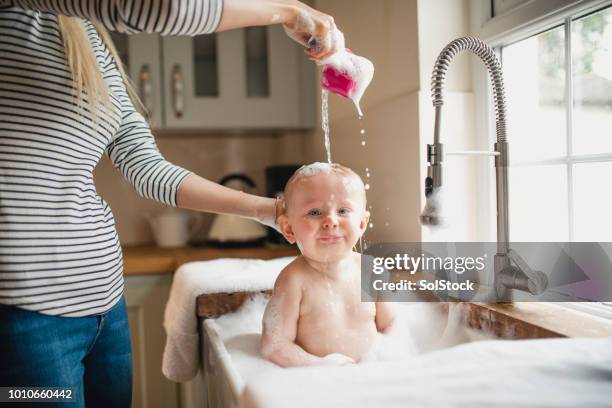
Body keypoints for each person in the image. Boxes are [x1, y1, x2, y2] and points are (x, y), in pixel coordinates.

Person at [0, 0, 340, 406]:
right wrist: (289, 11)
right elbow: (165, 9)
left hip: (105, 305)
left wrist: (269, 210)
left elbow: (146, 168)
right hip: (23, 316)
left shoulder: (87, 38)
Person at [260, 163, 396, 367]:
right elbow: (275, 345)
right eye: (314, 212)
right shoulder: (294, 280)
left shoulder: (371, 270)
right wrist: (320, 366)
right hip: (320, 382)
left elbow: (392, 327)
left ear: (361, 224)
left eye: (343, 210)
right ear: (288, 228)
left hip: (372, 373)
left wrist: (392, 360)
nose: (331, 221)